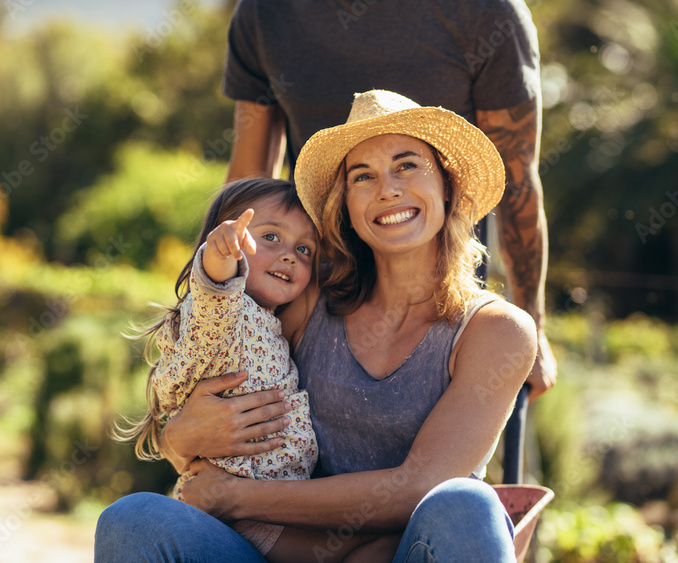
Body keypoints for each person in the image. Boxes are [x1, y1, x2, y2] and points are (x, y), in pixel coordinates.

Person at [95, 90, 535, 562]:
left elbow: (419, 487)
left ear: (446, 186)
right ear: (345, 204)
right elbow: (212, 358)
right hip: (288, 553)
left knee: (465, 503)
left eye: (407, 165)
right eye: (362, 176)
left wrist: (236, 497)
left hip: (405, 553)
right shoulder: (309, 303)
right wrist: (178, 436)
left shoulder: (494, 330)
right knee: (131, 519)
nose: (388, 189)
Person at [222, 0, 556, 402]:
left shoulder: (486, 11)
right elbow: (248, 180)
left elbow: (517, 180)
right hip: (318, 298)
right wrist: (215, 303)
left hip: (442, 306)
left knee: (452, 452)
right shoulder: (266, 13)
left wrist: (532, 324)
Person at [115, 178, 397, 562]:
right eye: (269, 237)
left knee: (379, 547)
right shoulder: (227, 315)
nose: (289, 256)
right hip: (242, 508)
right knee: (380, 546)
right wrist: (221, 254)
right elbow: (214, 295)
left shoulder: (268, 319)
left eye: (303, 249)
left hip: (267, 498)